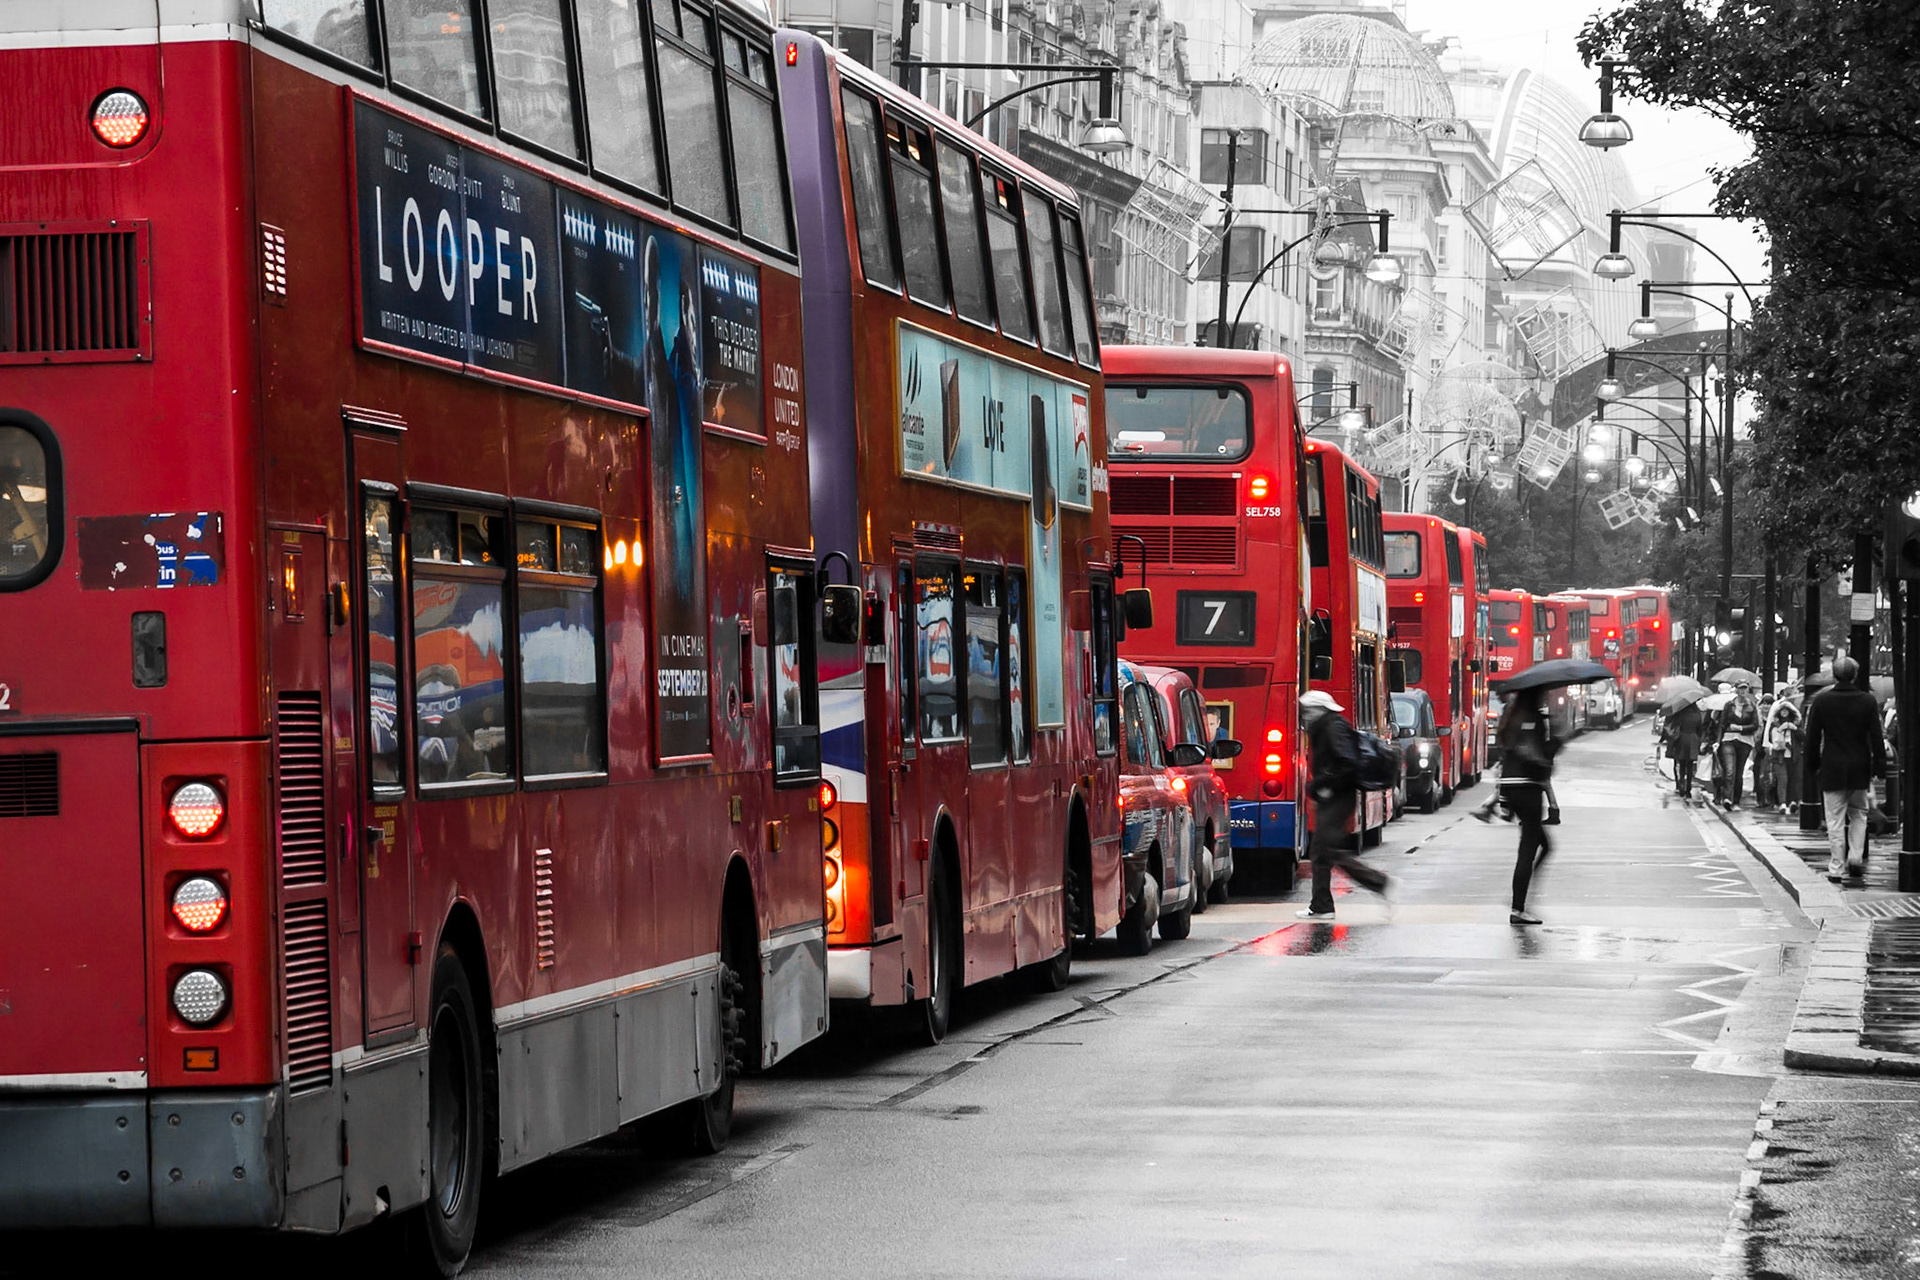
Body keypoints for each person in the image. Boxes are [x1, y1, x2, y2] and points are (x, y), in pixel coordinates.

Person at [1295, 689, 1391, 920]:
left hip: (1339, 796)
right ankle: (1321, 905)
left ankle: (1379, 883)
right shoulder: (1326, 726)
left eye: (1306, 711)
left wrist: (1320, 784)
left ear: (1317, 710)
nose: (1304, 716)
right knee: (1320, 852)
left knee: (1328, 850)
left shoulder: (1332, 727)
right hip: (1334, 795)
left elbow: (1346, 763)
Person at [1803, 655, 1887, 882]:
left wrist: (1812, 766)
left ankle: (1837, 867)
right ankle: (1856, 857)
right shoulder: (1867, 701)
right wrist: (1880, 766)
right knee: (1859, 814)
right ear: (1855, 674)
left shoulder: (1822, 701)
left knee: (1835, 820)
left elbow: (1812, 738)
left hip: (1832, 767)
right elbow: (1876, 737)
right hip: (1860, 767)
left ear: (1834, 674)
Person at [1496, 687, 1559, 925]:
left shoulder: (1511, 717)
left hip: (1511, 787)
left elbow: (1507, 755)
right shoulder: (1536, 718)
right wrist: (1558, 740)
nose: (1545, 696)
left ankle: (1522, 897)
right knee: (1528, 850)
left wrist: (1502, 799)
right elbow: (1542, 759)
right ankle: (1518, 907)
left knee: (1544, 845)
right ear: (1536, 696)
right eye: (1542, 694)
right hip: (1528, 789)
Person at [1716, 680, 1761, 808]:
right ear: (1736, 689)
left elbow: (1755, 725)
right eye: (1740, 688)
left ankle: (1736, 801)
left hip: (1744, 741)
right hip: (1728, 739)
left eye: (1745, 688)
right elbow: (1722, 724)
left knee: (1739, 772)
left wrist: (1740, 728)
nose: (1743, 691)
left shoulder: (1751, 705)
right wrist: (1718, 741)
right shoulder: (1729, 705)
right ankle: (1727, 799)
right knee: (1730, 770)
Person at [1767, 693, 1803, 814]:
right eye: (1782, 710)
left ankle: (1792, 802)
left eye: (1786, 710)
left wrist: (1794, 729)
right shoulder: (1775, 725)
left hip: (1794, 756)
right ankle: (1782, 803)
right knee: (1783, 780)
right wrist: (1780, 730)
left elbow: (1803, 737)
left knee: (1794, 779)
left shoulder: (1797, 725)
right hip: (1779, 756)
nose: (1784, 712)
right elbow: (1771, 739)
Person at [1662, 700, 1704, 802]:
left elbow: (1673, 725)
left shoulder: (1680, 714)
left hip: (1681, 739)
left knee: (1681, 764)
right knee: (1690, 765)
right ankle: (1688, 789)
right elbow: (1700, 729)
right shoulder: (1697, 714)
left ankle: (1681, 785)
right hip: (1693, 739)